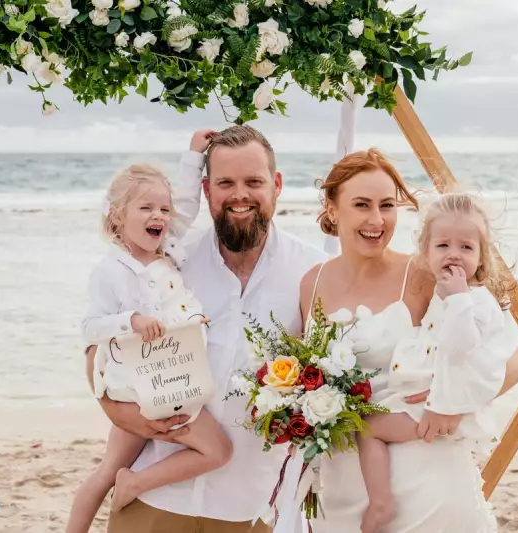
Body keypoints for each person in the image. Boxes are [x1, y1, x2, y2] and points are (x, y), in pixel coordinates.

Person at [85, 125, 329, 533]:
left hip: (249, 508)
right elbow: (99, 347)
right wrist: (120, 413)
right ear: (206, 189)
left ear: (278, 185)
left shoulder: (312, 272)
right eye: (225, 182)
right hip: (151, 497)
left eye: (254, 181)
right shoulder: (168, 260)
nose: (240, 194)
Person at [299, 149, 518, 533]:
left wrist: (452, 406)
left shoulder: (427, 273)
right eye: (362, 205)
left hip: (427, 478)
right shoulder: (312, 282)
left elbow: (514, 363)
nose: (377, 219)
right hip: (343, 487)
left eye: (387, 205)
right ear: (333, 208)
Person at [67, 131, 234, 533]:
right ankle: (123, 492)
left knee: (117, 465)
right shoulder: (111, 270)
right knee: (214, 450)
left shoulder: (168, 250)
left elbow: (190, 207)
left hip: (171, 380)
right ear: (117, 216)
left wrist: (195, 154)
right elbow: (90, 327)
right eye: (146, 208)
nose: (159, 216)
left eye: (163, 208)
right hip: (140, 391)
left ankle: (133, 481)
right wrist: (131, 322)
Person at [355, 192, 516, 533]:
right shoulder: (445, 295)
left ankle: (380, 504)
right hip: (425, 398)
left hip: (437, 407)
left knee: (368, 428)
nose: (454, 254)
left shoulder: (476, 301)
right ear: (426, 253)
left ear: (482, 258)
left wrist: (458, 298)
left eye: (466, 248)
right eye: (443, 246)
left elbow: (460, 347)